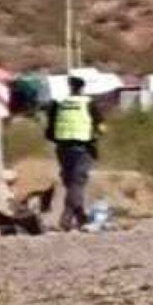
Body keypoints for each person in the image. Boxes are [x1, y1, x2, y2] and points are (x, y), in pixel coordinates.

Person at [46, 76, 103, 231]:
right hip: (82, 148)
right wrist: (98, 135)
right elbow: (101, 126)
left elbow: (49, 130)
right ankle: (66, 219)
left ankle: (81, 218)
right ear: (82, 88)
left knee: (70, 182)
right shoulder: (88, 104)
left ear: (69, 88)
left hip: (62, 148)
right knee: (76, 183)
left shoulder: (59, 104)